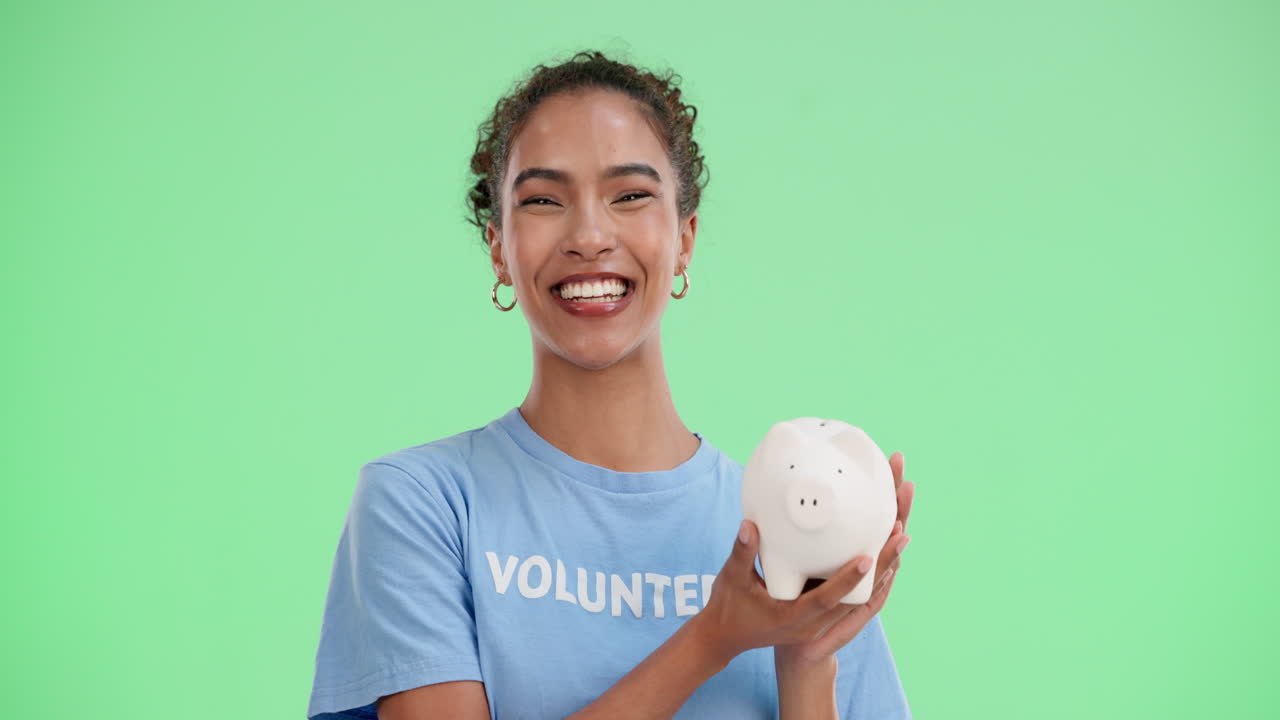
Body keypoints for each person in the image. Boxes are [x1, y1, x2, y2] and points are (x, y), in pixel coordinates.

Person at [305, 49, 916, 720]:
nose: (590, 235)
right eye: (542, 200)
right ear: (499, 248)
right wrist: (713, 638)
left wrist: (805, 659)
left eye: (630, 196)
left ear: (684, 238)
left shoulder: (793, 527)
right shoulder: (421, 505)